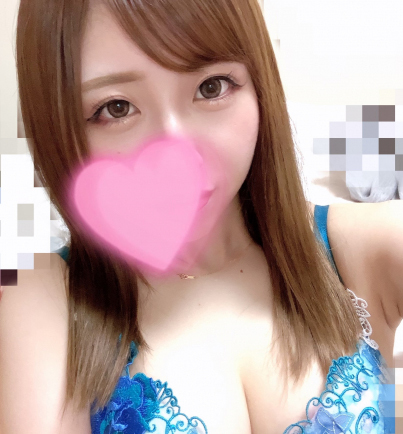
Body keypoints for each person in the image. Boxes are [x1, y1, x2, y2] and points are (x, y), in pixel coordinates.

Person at [0, 0, 401, 433]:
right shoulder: (46, 297)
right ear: (58, 128)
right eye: (116, 108)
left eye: (211, 87)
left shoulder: (365, 247)